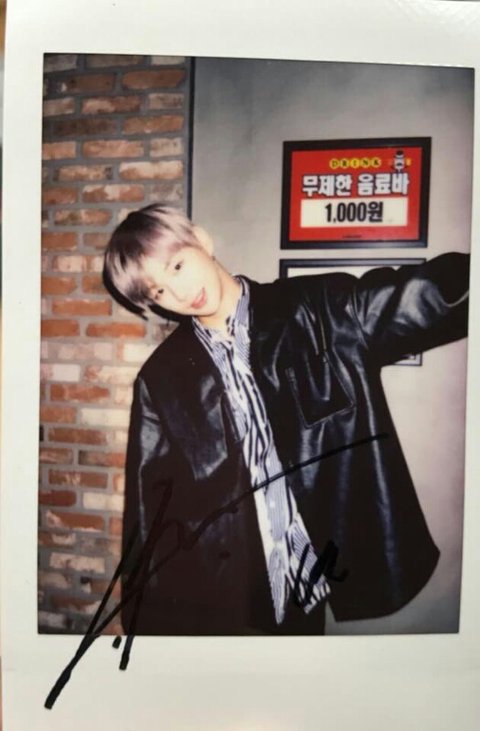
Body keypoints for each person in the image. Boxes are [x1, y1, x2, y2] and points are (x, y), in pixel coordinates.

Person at [103, 203, 469, 636]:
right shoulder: (162, 377)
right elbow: (150, 510)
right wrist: (146, 625)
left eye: (178, 266)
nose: (180, 294)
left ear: (201, 240)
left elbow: (425, 296)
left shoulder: (320, 309)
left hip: (305, 576)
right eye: (160, 292)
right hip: (222, 593)